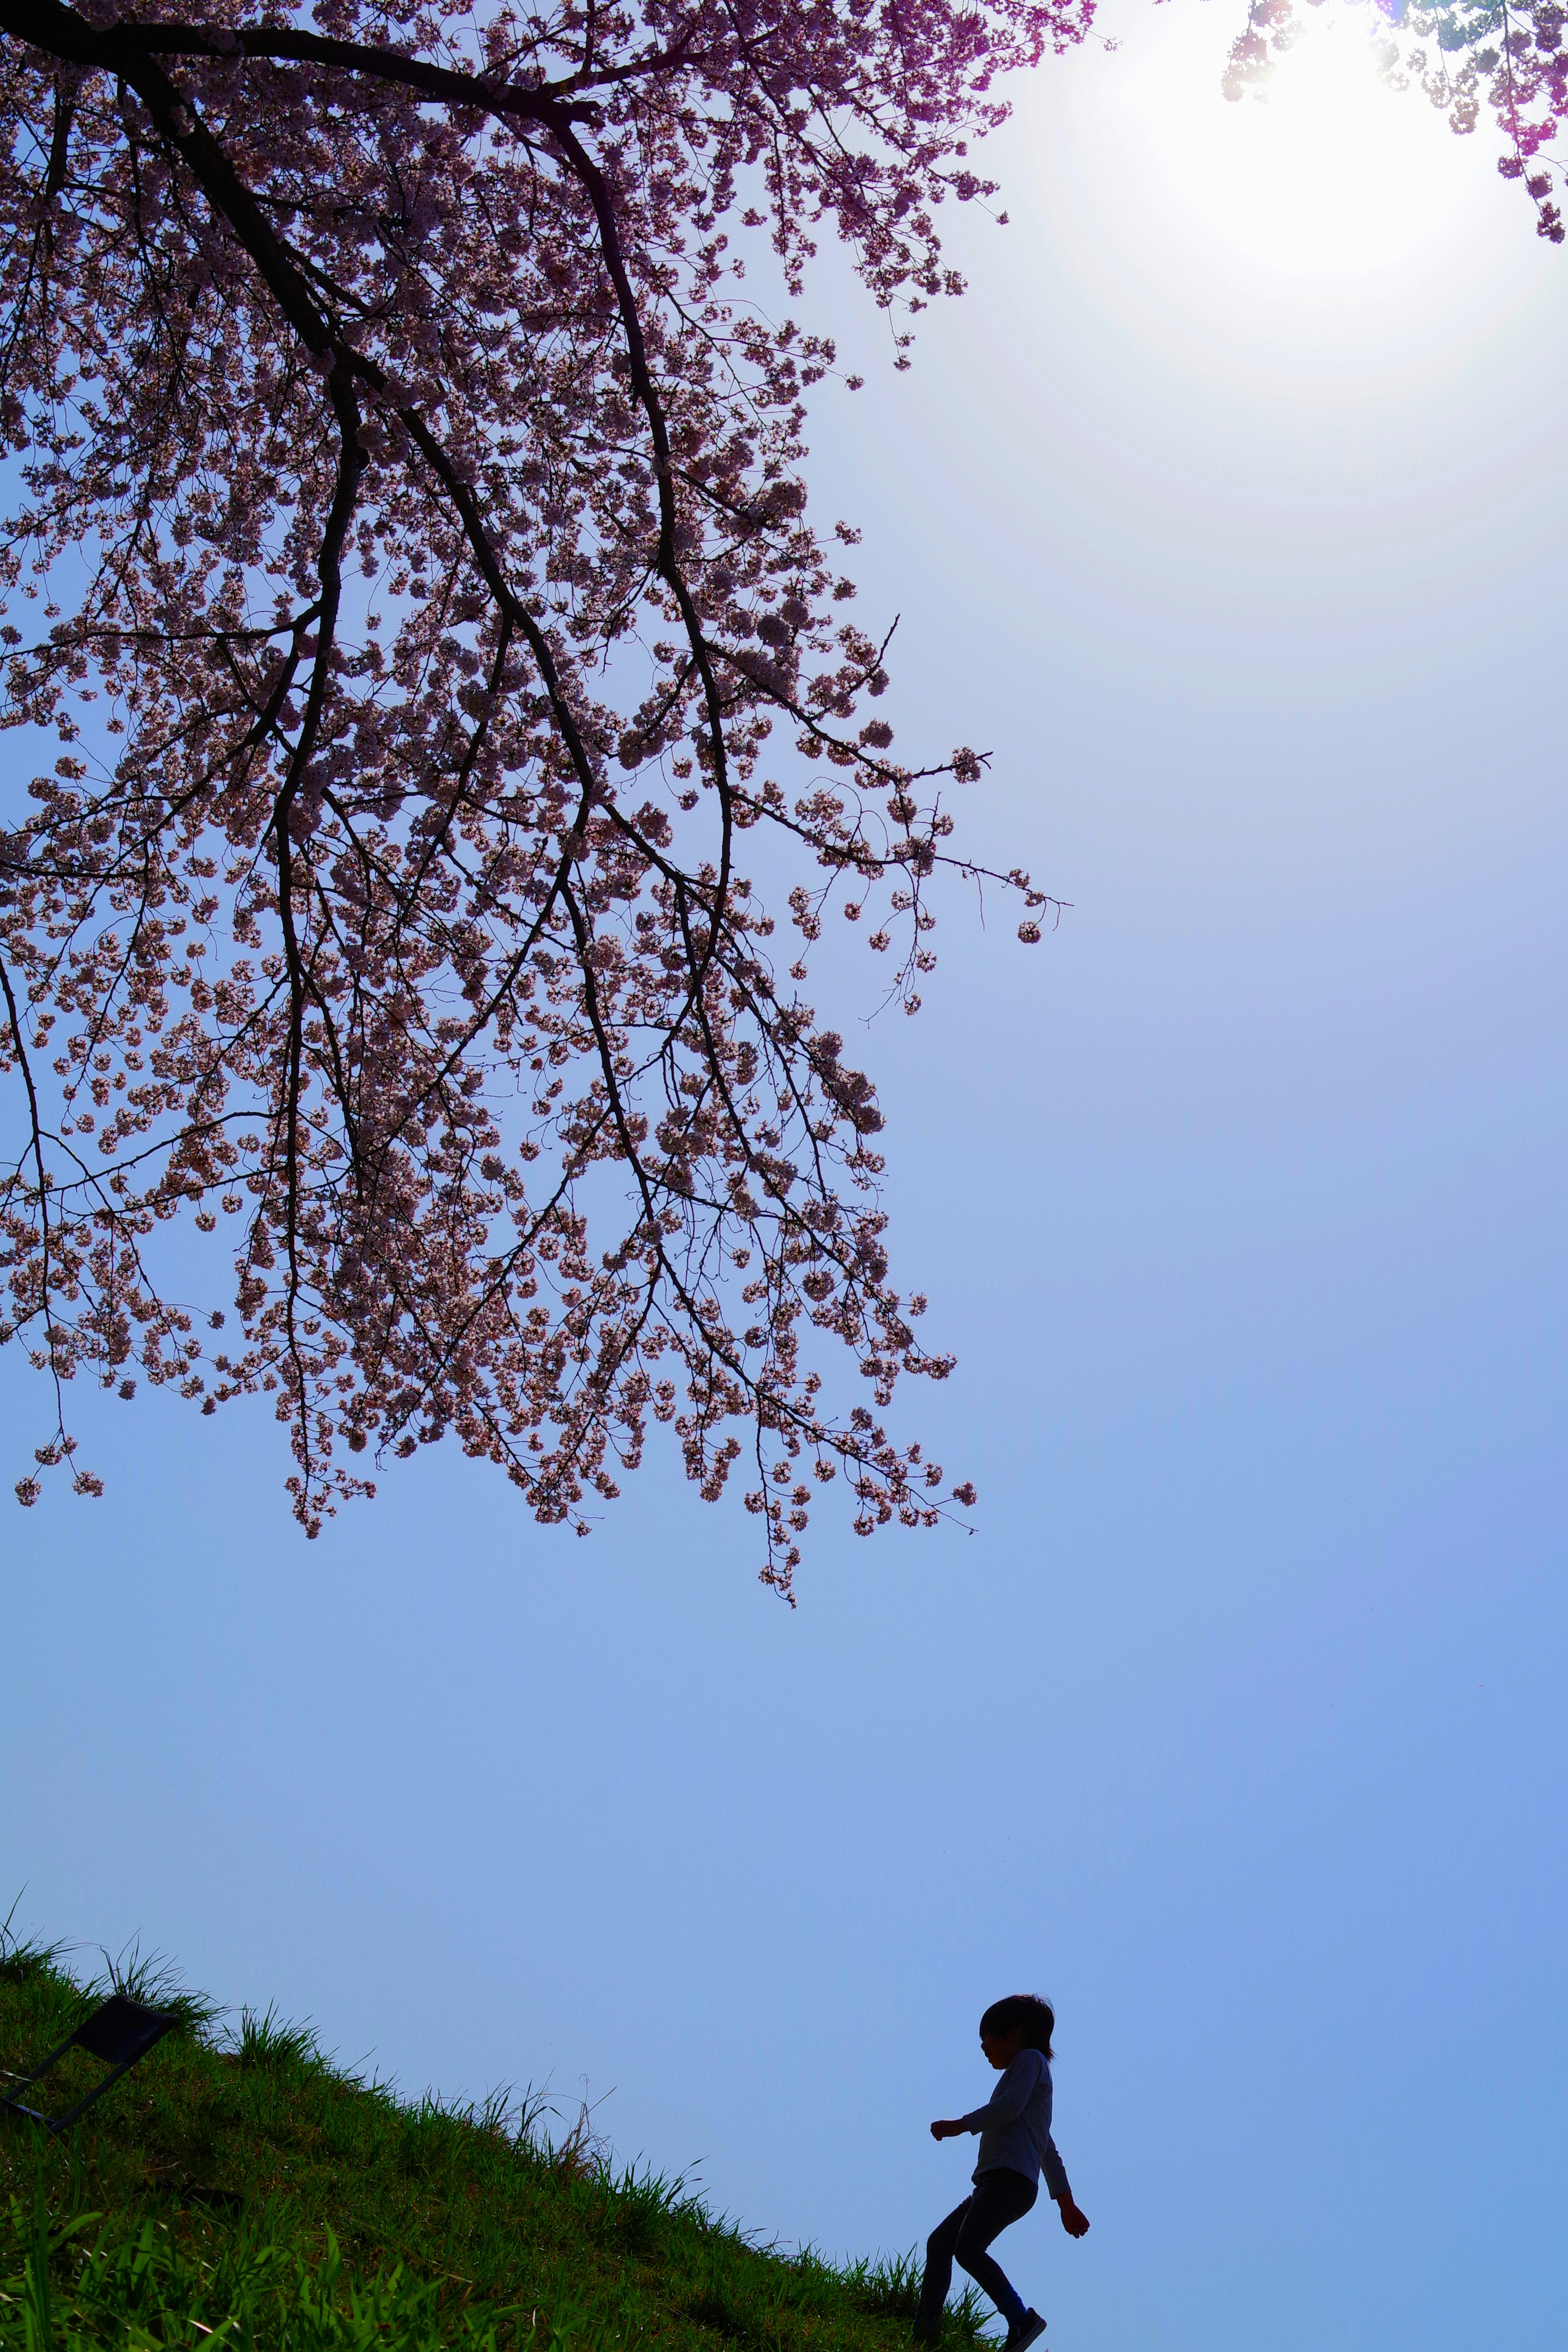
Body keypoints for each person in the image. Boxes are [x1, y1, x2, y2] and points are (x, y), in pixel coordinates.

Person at [912, 1993, 1090, 2352]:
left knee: (968, 2248)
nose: (982, 2046)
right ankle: (923, 2334)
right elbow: (1047, 2148)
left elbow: (1008, 2108)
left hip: (1010, 2181)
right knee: (942, 2243)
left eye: (987, 2035)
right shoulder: (1026, 2080)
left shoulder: (1030, 2061)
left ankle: (1021, 2320)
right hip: (999, 2182)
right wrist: (1065, 2203)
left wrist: (961, 2125)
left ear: (1015, 2032)